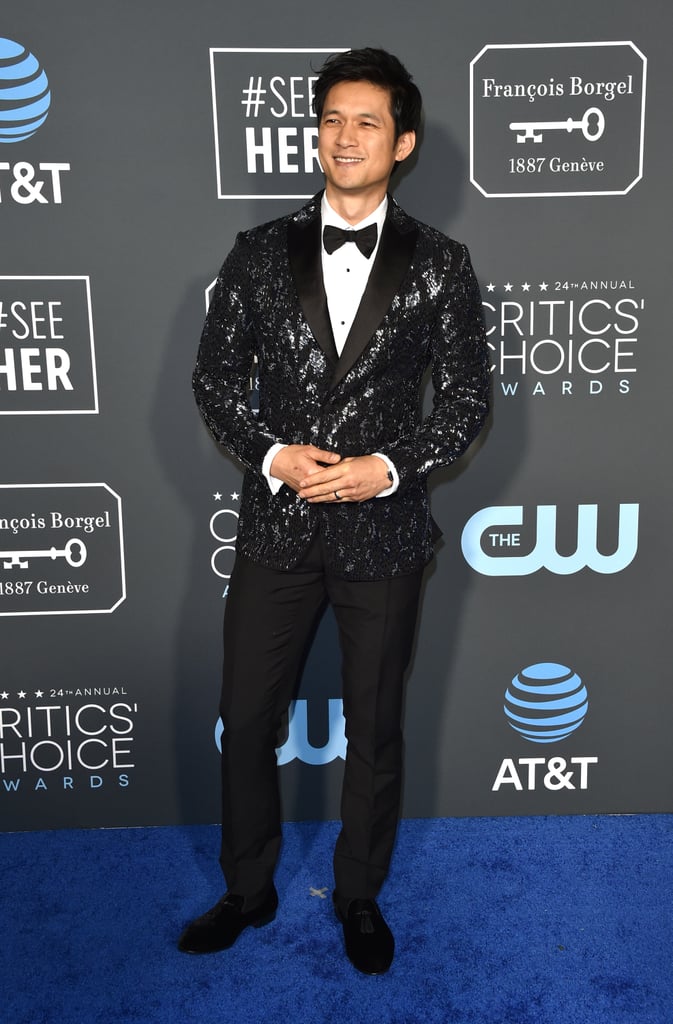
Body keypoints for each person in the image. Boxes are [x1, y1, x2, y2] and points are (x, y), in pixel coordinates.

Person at [179, 47, 489, 975]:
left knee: (376, 719)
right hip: (276, 527)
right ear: (314, 131)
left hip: (384, 534)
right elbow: (212, 378)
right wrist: (274, 455)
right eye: (331, 119)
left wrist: (386, 468)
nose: (344, 137)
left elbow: (468, 404)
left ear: (401, 144)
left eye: (366, 123)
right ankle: (248, 886)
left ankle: (358, 894)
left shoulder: (440, 262)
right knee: (244, 709)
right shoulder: (256, 252)